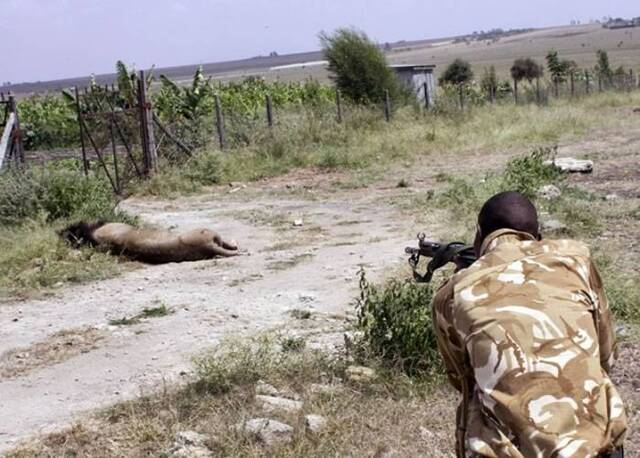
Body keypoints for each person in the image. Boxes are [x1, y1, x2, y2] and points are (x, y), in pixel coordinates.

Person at [432, 191, 627, 458]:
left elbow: (461, 378)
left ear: (479, 235)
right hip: (596, 447)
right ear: (539, 235)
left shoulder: (453, 293)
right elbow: (606, 357)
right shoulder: (576, 259)